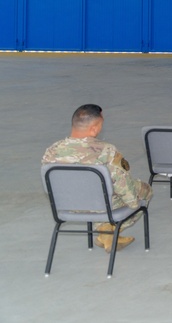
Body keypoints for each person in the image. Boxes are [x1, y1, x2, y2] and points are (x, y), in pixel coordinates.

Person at [42, 104, 153, 253]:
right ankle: (108, 230)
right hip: (101, 206)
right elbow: (122, 184)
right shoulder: (106, 150)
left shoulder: (52, 150)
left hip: (66, 206)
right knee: (144, 190)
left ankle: (106, 232)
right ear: (94, 128)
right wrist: (134, 202)